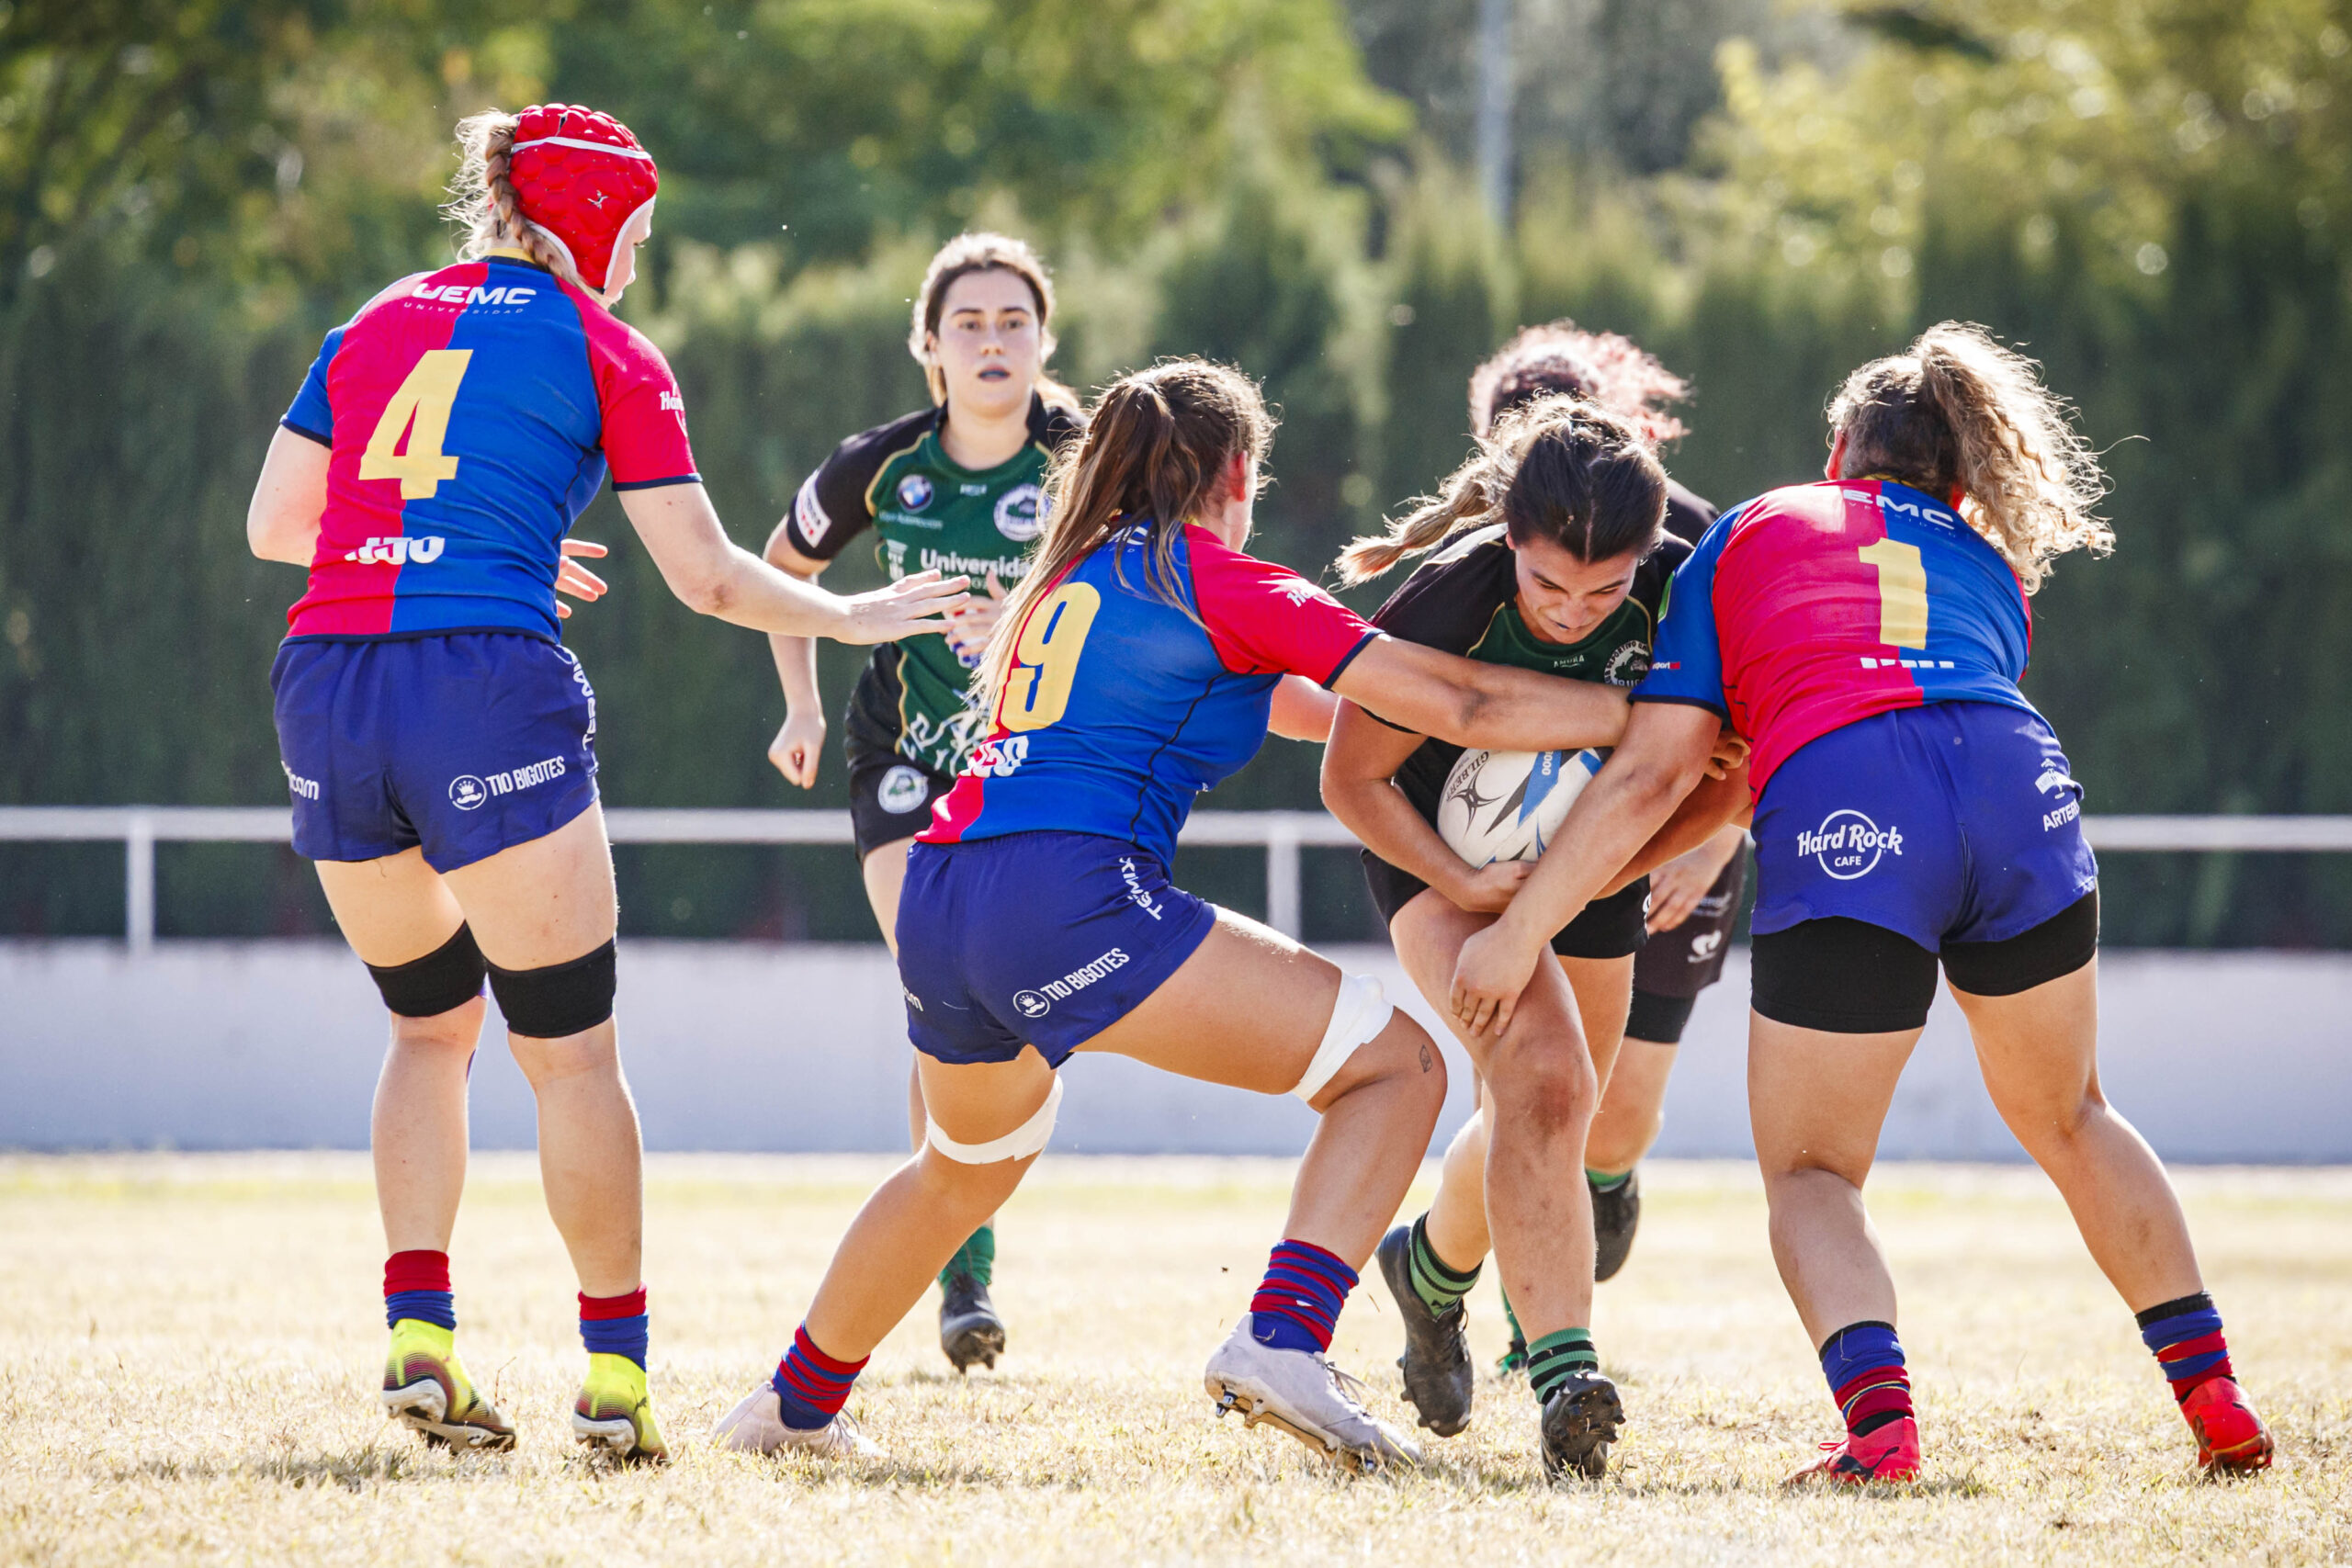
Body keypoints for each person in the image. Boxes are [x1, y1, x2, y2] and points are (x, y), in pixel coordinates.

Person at [712, 359, 1643, 1476]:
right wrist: (1641, 717)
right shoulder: (1225, 578)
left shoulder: (1068, 575)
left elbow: (1330, 711)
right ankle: (1282, 1341)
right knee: (1397, 1072)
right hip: (1070, 895)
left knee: (962, 1166)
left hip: (944, 895)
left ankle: (790, 1407)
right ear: (1236, 473)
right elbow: (1460, 701)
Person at [243, 104, 966, 1464]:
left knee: (424, 1031)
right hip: (481, 687)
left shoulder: (381, 309)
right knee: (569, 1049)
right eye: (630, 232)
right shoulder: (604, 344)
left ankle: (418, 1334)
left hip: (331, 680)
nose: (634, 260)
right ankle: (617, 1379)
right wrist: (859, 618)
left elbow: (283, 524)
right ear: (589, 222)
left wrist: (460, 547)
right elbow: (704, 574)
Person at [1446, 322, 2275, 1482]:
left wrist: (1521, 924)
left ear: (1839, 449)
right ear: (1960, 469)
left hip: (1853, 805)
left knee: (1813, 1174)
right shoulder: (1990, 564)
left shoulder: (1752, 527)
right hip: (2015, 785)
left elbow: (1656, 768)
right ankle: (2214, 1392)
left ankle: (1880, 1431)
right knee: (2075, 1115)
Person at [1321, 392, 1742, 1467]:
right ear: (1510, 537)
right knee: (1547, 1081)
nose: (1571, 612)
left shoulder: (1686, 591)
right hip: (1435, 856)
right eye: (1548, 582)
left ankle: (1427, 1270)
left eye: (1604, 589)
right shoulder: (1451, 592)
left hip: (1585, 864)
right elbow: (1349, 780)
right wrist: (1468, 878)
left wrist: (1597, 872)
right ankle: (1566, 1381)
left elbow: (1721, 781)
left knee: (1562, 1115)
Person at [760, 233, 1083, 1373]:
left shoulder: (1087, 459)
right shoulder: (880, 465)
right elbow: (778, 574)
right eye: (969, 325)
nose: (992, 342)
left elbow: (1169, 578)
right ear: (928, 348)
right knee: (945, 981)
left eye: (1012, 322)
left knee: (1015, 1011)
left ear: (1045, 339)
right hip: (901, 758)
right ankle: (963, 1274)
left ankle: (963, 1227)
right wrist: (800, 705)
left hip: (1042, 768)